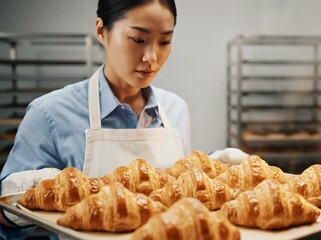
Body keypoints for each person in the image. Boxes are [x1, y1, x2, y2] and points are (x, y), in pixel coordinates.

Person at [0, 0, 191, 239]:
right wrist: (26, 192)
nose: (152, 57)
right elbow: (6, 222)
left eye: (165, 41)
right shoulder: (49, 114)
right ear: (102, 30)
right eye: (138, 40)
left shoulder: (176, 110)